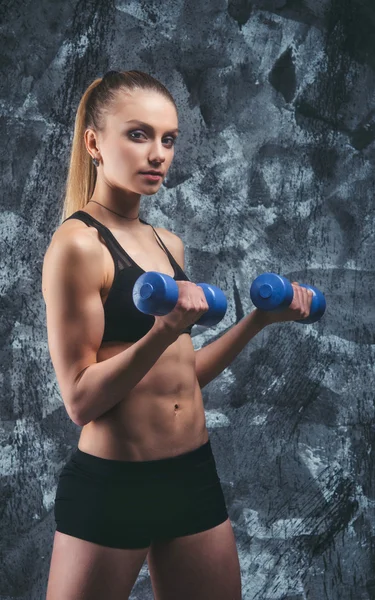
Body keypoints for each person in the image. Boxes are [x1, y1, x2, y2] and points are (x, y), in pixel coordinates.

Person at [42, 70, 313, 600]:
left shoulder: (168, 244)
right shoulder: (77, 246)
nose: (158, 154)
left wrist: (257, 321)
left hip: (191, 475)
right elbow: (79, 399)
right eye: (139, 134)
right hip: (117, 484)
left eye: (169, 139)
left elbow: (182, 373)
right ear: (94, 143)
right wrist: (162, 332)